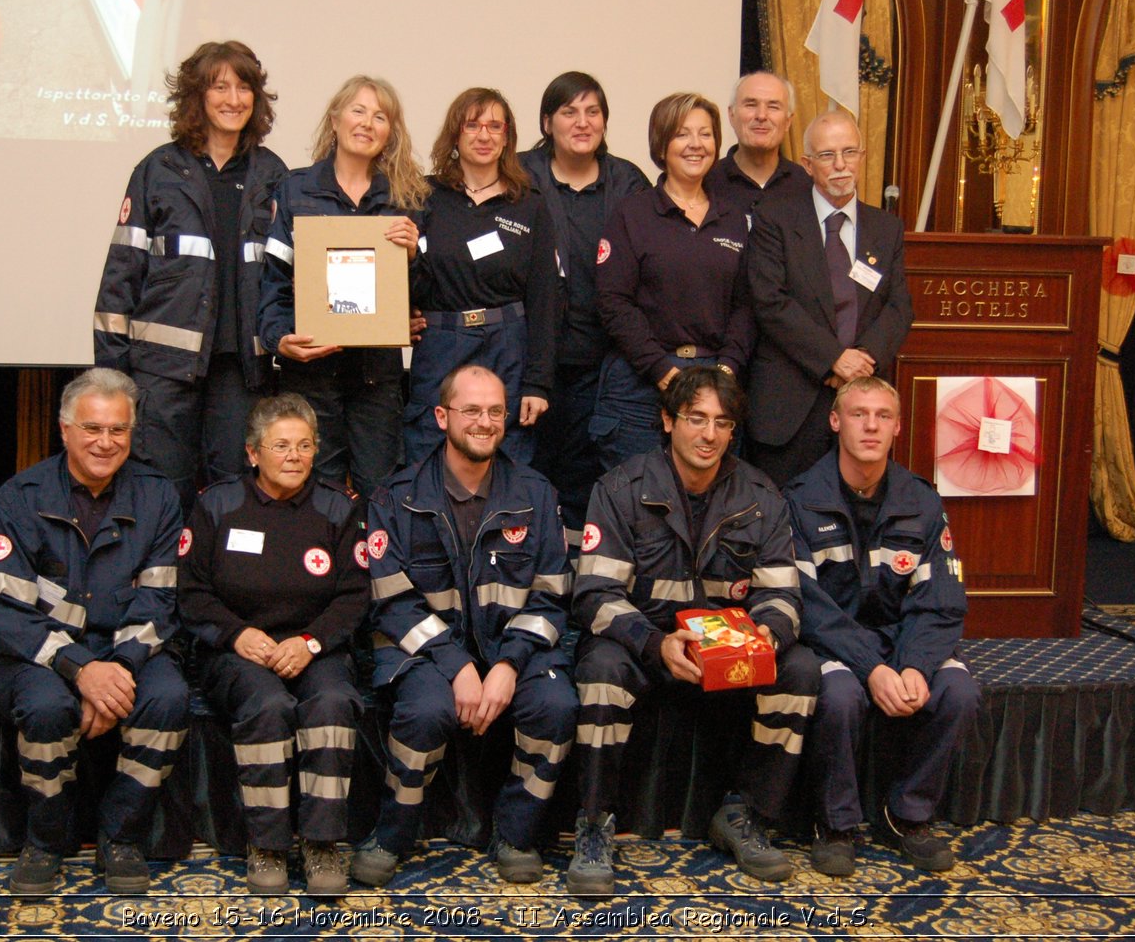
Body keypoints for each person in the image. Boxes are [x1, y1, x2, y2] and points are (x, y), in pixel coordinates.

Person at [567, 366, 820, 896]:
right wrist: (656, 643)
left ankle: (745, 814)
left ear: (733, 432)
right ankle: (594, 824)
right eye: (696, 418)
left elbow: (783, 596)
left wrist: (764, 639)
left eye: (722, 423)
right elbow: (593, 595)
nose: (708, 434)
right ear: (667, 421)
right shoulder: (620, 488)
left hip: (727, 650)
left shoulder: (761, 496)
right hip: (645, 641)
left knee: (797, 669)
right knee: (599, 669)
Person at [351, 365, 577, 887]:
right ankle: (393, 833)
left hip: (512, 646)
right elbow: (390, 601)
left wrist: (506, 665)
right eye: (471, 410)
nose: (485, 422)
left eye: (495, 411)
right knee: (426, 709)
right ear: (441, 416)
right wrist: (457, 667)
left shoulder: (536, 494)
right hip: (426, 650)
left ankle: (516, 834)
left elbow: (551, 595)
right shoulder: (396, 496)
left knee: (557, 704)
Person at [0, 368, 189, 896]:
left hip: (124, 647)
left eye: (118, 430)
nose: (105, 442)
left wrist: (118, 668)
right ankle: (45, 840)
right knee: (47, 707)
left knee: (168, 697)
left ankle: (123, 837)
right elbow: (1, 611)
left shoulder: (158, 496)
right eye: (92, 428)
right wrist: (79, 668)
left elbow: (160, 600)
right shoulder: (17, 498)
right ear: (64, 429)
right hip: (33, 653)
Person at [782, 377, 980, 876]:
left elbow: (941, 602)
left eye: (882, 415)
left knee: (958, 691)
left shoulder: (923, 500)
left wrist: (915, 663)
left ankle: (908, 815)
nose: (870, 425)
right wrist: (871, 667)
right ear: (835, 421)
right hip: (831, 643)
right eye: (858, 413)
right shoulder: (799, 500)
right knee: (840, 695)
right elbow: (807, 603)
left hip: (902, 640)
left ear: (896, 426)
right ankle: (835, 825)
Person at [178, 394, 367, 896]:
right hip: (237, 650)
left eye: (304, 445)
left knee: (332, 703)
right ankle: (268, 843)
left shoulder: (336, 508)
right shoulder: (217, 504)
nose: (293, 456)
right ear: (252, 453)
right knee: (268, 705)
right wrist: (237, 634)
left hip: (314, 648)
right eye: (280, 445)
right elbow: (191, 593)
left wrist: (310, 642)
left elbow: (354, 596)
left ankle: (323, 842)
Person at [93, 40, 289, 514]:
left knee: (235, 492)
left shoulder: (274, 174)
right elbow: (121, 276)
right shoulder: (157, 170)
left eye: (244, 87)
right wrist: (113, 377)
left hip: (241, 370)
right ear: (196, 97)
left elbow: (292, 277)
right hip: (161, 369)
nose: (233, 99)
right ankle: (158, 586)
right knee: (159, 488)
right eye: (219, 86)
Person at [258, 75, 428, 498]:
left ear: (391, 131)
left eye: (380, 116)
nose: (367, 123)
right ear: (335, 120)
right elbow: (273, 282)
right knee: (314, 494)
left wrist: (412, 260)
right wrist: (280, 339)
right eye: (358, 110)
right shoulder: (295, 190)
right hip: (311, 372)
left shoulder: (405, 199)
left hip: (377, 379)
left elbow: (425, 293)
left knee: (382, 492)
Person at [743, 109, 913, 487]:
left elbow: (899, 307)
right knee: (781, 520)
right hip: (790, 405)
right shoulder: (775, 219)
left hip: (861, 403)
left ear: (862, 157)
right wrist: (835, 359)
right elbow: (770, 301)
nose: (840, 165)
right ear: (806, 164)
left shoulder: (886, 229)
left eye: (849, 152)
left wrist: (861, 362)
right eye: (826, 155)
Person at [594, 93, 753, 471]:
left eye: (706, 134)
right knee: (636, 502)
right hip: (640, 386)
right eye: (683, 134)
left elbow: (747, 305)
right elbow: (613, 302)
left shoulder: (734, 218)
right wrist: (662, 371)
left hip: (715, 380)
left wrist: (727, 370)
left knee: (711, 505)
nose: (696, 144)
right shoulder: (632, 213)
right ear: (661, 144)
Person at [520, 71, 651, 529]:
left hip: (604, 368)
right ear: (546, 122)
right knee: (525, 478)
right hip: (531, 362)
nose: (582, 122)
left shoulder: (629, 182)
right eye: (569, 112)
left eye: (592, 112)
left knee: (588, 484)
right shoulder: (519, 176)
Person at [405, 88, 558, 466]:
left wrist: (537, 383)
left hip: (508, 346)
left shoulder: (530, 204)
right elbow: (410, 283)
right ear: (455, 135)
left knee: (508, 457)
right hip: (441, 343)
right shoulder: (424, 197)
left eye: (494, 126)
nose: (484, 135)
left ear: (507, 137)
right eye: (472, 125)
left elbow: (545, 299)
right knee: (428, 452)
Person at [705, 71, 811, 216]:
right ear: (731, 115)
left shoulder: (808, 186)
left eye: (773, 107)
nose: (761, 115)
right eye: (751, 105)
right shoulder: (706, 183)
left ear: (788, 121)